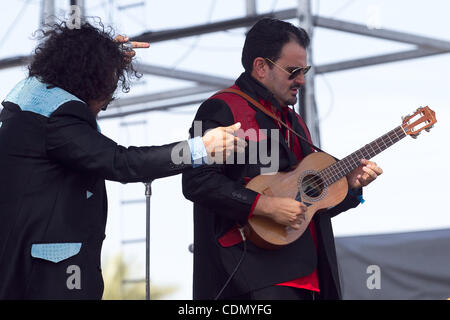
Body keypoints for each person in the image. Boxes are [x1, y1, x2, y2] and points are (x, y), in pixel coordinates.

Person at [0, 20, 244, 299]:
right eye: (107, 92)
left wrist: (103, 56)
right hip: (49, 273)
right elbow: (122, 163)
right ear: (89, 81)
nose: (105, 103)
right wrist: (199, 149)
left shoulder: (29, 108)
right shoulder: (56, 121)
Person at [182, 18, 383, 300]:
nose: (301, 80)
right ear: (261, 67)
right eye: (293, 71)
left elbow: (308, 205)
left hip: (310, 276)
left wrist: (350, 188)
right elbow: (196, 182)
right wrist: (263, 205)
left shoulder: (295, 122)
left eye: (305, 70)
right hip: (252, 276)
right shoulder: (220, 108)